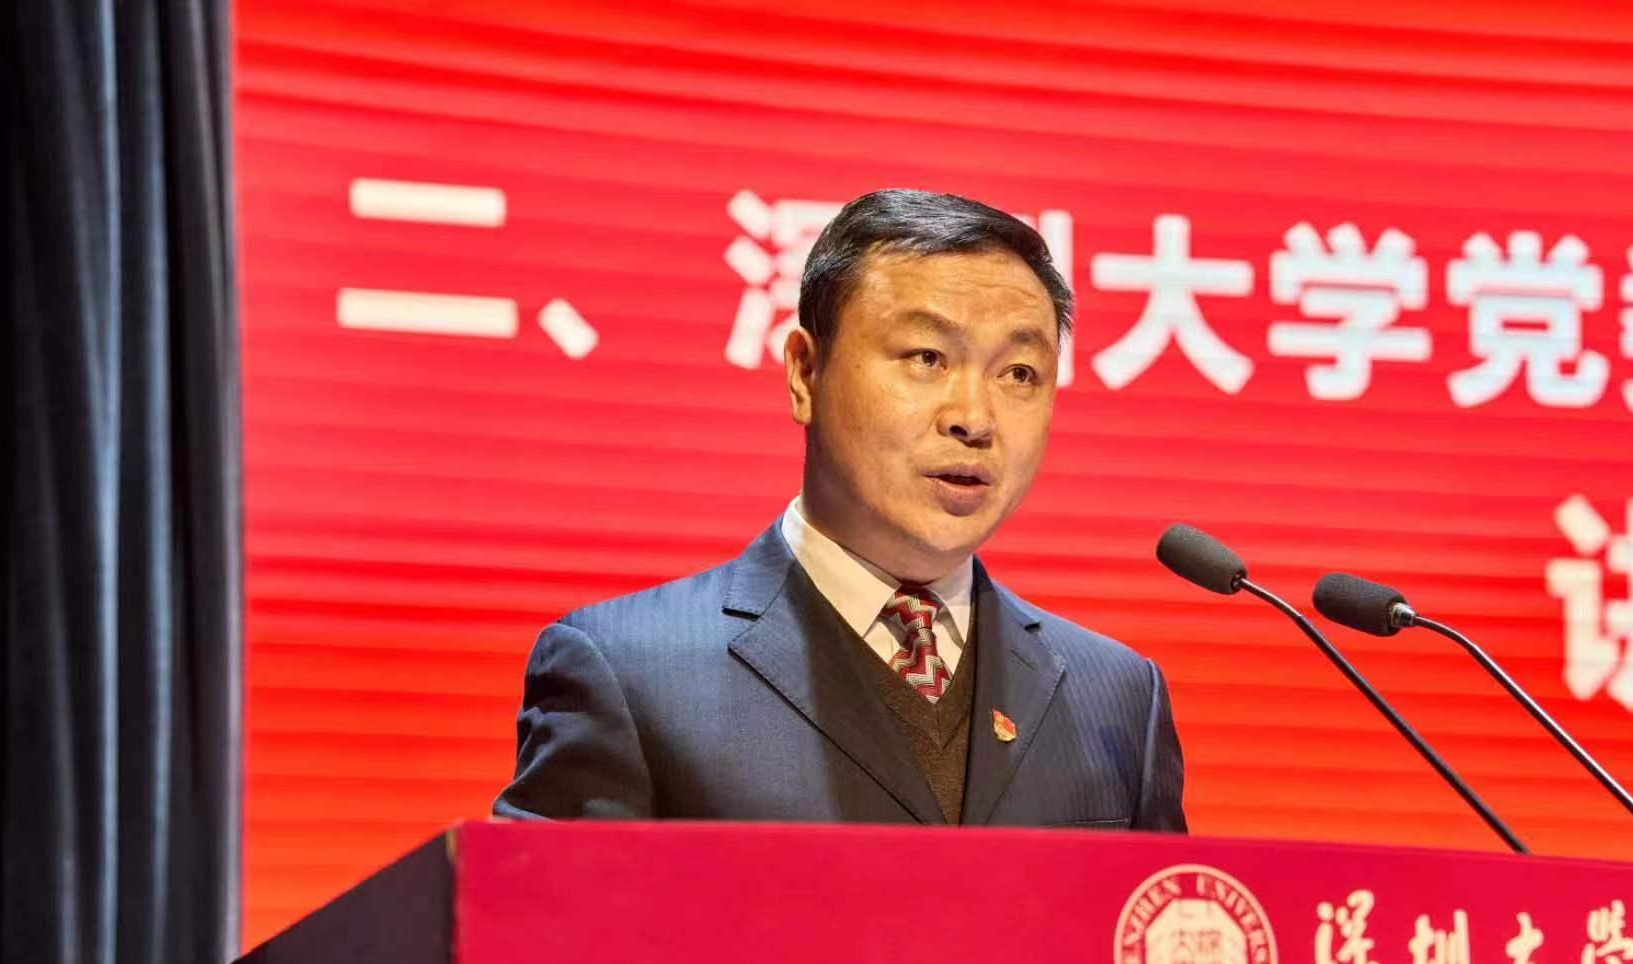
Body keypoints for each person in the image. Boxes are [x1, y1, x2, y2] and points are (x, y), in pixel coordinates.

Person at [495, 189, 1185, 829]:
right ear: (805, 373)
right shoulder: (631, 671)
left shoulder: (1118, 699)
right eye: (927, 357)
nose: (975, 419)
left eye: (1019, 374)